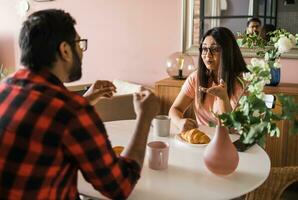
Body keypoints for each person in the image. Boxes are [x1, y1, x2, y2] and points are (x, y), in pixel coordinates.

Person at [0, 9, 159, 199]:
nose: (82, 53)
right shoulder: (72, 110)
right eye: (79, 45)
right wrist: (144, 117)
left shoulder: (5, 88)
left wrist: (86, 99)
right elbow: (119, 186)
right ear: (65, 50)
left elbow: (44, 119)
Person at [169, 27, 248, 132]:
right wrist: (179, 122)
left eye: (215, 49)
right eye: (205, 49)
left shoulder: (244, 83)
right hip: (202, 140)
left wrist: (223, 98)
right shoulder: (195, 78)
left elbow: (230, 129)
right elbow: (175, 109)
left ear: (228, 52)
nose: (207, 55)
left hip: (231, 141)